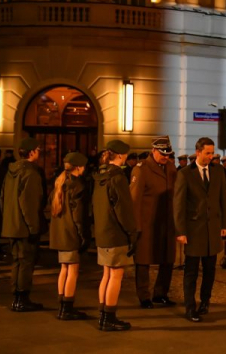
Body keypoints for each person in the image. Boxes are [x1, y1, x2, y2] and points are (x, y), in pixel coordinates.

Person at [174, 137, 226, 323]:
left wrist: (225, 224)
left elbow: (223, 199)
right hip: (193, 229)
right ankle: (190, 307)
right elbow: (179, 205)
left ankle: (205, 301)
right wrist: (180, 231)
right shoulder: (185, 174)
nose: (210, 156)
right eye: (207, 153)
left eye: (212, 153)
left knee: (209, 270)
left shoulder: (218, 171)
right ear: (198, 152)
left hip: (212, 229)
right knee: (191, 271)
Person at [92, 140, 137, 331]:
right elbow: (124, 210)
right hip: (116, 233)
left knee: (106, 274)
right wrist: (131, 232)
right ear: (120, 155)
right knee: (116, 275)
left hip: (102, 231)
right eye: (125, 154)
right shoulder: (118, 177)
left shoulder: (100, 176)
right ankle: (109, 317)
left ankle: (103, 315)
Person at [129, 136, 178, 309]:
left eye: (168, 154)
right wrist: (136, 226)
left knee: (167, 259)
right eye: (162, 154)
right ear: (153, 151)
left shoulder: (171, 168)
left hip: (167, 222)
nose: (165, 157)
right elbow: (134, 200)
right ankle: (144, 296)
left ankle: (161, 294)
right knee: (143, 260)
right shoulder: (141, 169)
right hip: (147, 222)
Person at [0, 137, 46, 311]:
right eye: (38, 150)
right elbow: (29, 204)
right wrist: (34, 228)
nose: (39, 153)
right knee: (26, 262)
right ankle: (22, 298)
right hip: (25, 227)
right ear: (32, 152)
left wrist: (9, 219)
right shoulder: (30, 173)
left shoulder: (11, 171)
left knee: (17, 262)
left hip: (12, 225)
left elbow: (2, 198)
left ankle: (17, 297)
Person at [49, 152, 90, 321]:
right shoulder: (77, 186)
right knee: (73, 270)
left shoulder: (60, 182)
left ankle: (62, 304)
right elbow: (78, 215)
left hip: (60, 232)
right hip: (71, 232)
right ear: (79, 167)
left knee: (64, 269)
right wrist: (83, 236)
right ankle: (67, 306)